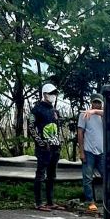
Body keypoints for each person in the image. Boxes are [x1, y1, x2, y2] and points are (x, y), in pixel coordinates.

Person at [30, 83, 64, 211]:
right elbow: (31, 127)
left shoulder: (55, 110)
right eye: (51, 93)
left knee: (52, 175)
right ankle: (38, 203)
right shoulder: (36, 109)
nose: (53, 96)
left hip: (55, 146)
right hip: (44, 148)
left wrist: (59, 143)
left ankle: (50, 201)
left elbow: (58, 129)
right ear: (44, 94)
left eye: (55, 93)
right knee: (40, 175)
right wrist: (40, 142)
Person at [78, 93, 105, 213]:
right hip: (89, 151)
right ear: (91, 102)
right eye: (95, 102)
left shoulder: (103, 115)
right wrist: (81, 151)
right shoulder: (84, 114)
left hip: (102, 152)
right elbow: (80, 133)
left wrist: (94, 111)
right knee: (87, 177)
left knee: (107, 176)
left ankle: (107, 201)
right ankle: (90, 201)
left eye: (99, 102)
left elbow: (108, 114)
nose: (97, 104)